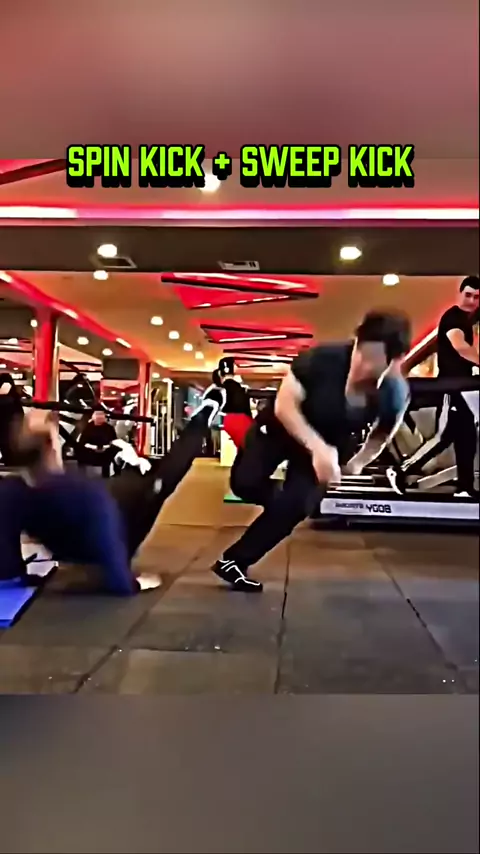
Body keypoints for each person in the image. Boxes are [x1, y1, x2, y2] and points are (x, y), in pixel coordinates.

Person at [212, 310, 412, 592]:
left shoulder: (394, 392)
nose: (362, 367)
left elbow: (382, 433)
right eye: (361, 356)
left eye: (373, 364)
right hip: (282, 427)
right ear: (356, 343)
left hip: (330, 444)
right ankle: (282, 504)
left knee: (298, 505)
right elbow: (285, 406)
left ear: (394, 362)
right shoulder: (321, 359)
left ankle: (234, 561)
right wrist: (317, 447)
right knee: (245, 484)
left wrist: (358, 462)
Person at [0, 387, 225, 592]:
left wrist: (15, 576)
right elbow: (115, 564)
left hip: (101, 518)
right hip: (119, 520)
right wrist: (134, 582)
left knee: (137, 480)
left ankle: (136, 461)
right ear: (53, 448)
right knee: (164, 476)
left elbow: (6, 560)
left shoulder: (11, 491)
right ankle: (203, 417)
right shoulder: (85, 495)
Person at [437, 275, 479, 497]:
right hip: (451, 386)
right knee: (445, 436)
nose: (471, 301)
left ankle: (465, 486)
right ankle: (402, 470)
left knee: (466, 437)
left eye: (476, 297)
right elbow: (459, 346)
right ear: (460, 294)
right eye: (468, 295)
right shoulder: (453, 318)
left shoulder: (466, 319)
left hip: (462, 387)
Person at [213, 357, 253, 448]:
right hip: (243, 420)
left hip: (227, 420)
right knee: (246, 448)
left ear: (220, 373)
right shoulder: (242, 389)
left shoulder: (219, 390)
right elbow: (246, 408)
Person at [77, 408, 118, 477]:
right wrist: (95, 447)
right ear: (93, 416)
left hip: (106, 450)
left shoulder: (109, 428)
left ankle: (108, 473)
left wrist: (105, 447)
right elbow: (83, 442)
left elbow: (114, 441)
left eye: (101, 414)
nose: (99, 416)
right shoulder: (87, 427)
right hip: (90, 451)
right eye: (97, 414)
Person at [0, 372, 24, 466]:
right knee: (8, 441)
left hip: (7, 420)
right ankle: (9, 458)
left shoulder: (8, 395)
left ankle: (9, 458)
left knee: (6, 441)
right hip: (11, 420)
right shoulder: (14, 395)